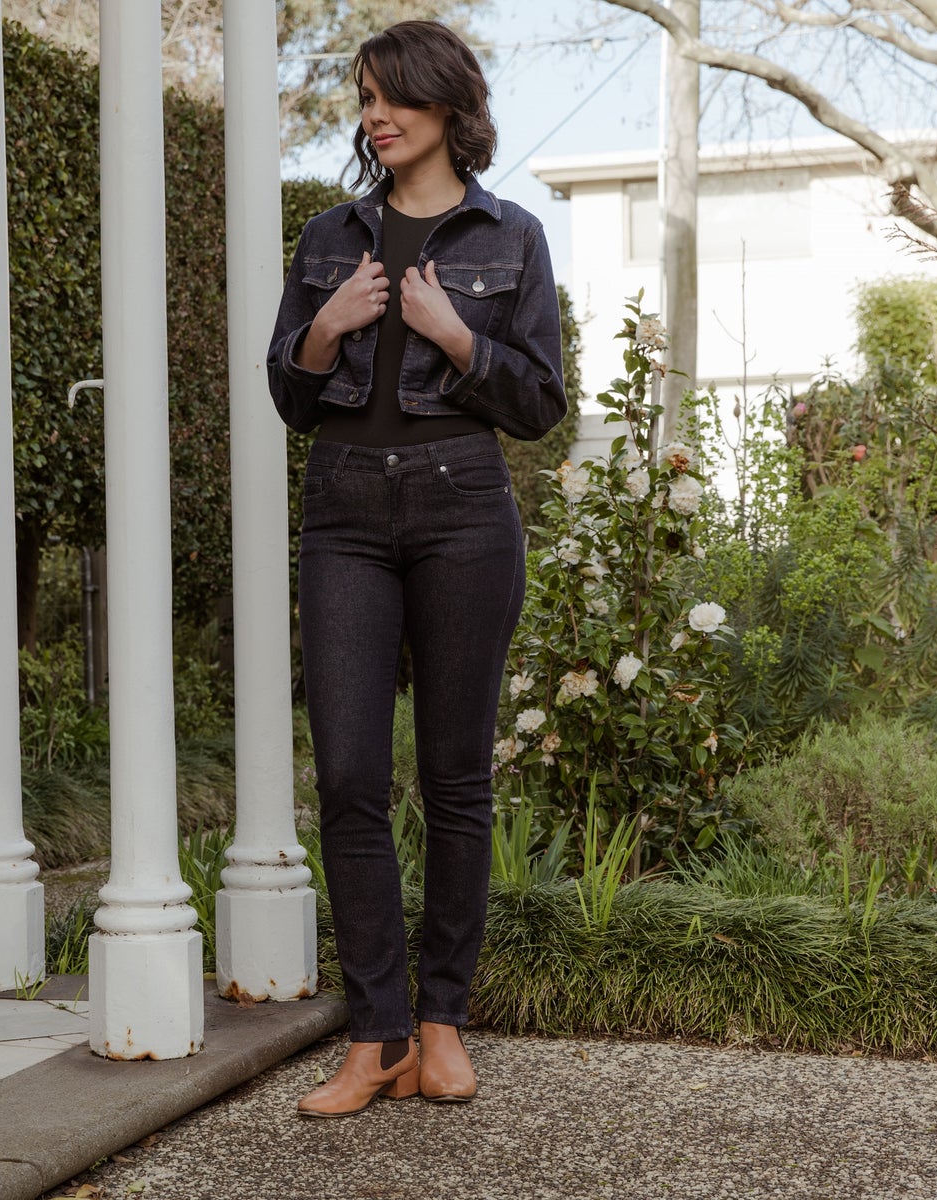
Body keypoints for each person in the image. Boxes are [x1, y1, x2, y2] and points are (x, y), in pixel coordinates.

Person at [266, 19, 568, 1118]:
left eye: (392, 96)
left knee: (454, 779)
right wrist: (323, 331)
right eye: (365, 98)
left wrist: (456, 337)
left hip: (462, 510)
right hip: (343, 512)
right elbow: (290, 394)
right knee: (349, 776)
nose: (375, 116)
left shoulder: (512, 236)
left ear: (447, 106)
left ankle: (442, 1023)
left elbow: (540, 402)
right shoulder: (327, 237)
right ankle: (376, 1035)